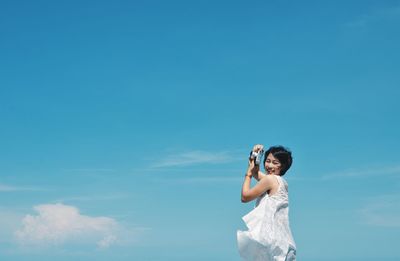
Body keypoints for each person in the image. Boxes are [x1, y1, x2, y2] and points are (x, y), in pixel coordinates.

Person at [237, 144, 297, 261]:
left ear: (283, 166)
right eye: (268, 161)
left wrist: (248, 174)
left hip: (271, 242)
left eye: (275, 163)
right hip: (282, 242)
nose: (269, 165)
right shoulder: (282, 182)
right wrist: (254, 157)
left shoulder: (270, 180)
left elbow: (245, 197)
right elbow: (256, 172)